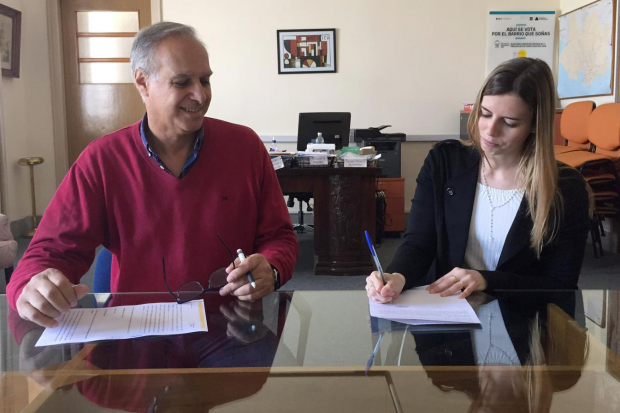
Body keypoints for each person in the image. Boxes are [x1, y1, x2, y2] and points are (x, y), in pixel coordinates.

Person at [8, 22, 299, 327]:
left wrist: (272, 268)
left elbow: (279, 237)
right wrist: (31, 287)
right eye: (182, 82)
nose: (200, 95)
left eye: (205, 80)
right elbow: (50, 251)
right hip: (138, 332)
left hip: (231, 328)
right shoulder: (102, 160)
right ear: (143, 83)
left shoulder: (245, 147)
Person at [366, 57, 590, 303]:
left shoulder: (565, 188)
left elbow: (561, 284)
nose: (490, 130)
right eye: (485, 114)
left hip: (519, 316)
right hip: (446, 312)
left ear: (535, 125)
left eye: (509, 123)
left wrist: (487, 280)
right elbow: (419, 243)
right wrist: (397, 275)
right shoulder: (444, 162)